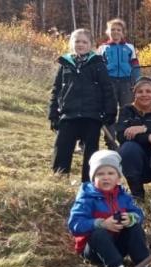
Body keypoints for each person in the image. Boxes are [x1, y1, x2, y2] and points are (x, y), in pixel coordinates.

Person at [67, 150, 151, 267]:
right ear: (93, 178)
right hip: (94, 250)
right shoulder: (87, 197)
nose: (106, 177)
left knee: (135, 227)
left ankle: (142, 266)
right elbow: (74, 224)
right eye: (100, 174)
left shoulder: (123, 195)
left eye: (110, 173)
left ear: (118, 177)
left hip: (118, 244)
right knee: (99, 233)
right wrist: (100, 223)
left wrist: (131, 218)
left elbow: (138, 213)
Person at [49, 28, 116, 182]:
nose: (80, 44)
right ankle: (60, 180)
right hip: (68, 115)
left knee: (91, 152)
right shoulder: (65, 64)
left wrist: (110, 112)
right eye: (77, 41)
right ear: (72, 43)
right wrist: (53, 114)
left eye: (84, 42)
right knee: (62, 148)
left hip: (91, 115)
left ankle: (88, 183)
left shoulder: (97, 64)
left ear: (91, 45)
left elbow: (107, 89)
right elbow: (56, 90)